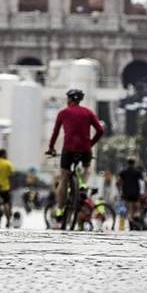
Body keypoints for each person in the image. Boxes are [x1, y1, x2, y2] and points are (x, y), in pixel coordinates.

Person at [46, 89, 104, 225]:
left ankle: (60, 210)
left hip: (68, 149)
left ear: (70, 99)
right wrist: (90, 143)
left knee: (64, 178)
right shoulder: (88, 112)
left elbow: (55, 132)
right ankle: (83, 185)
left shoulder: (63, 113)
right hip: (85, 148)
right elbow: (100, 130)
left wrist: (51, 147)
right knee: (87, 167)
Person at [116, 156, 145, 230]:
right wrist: (146, 191)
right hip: (136, 193)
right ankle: (135, 219)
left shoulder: (124, 172)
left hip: (126, 193)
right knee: (137, 209)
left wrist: (119, 190)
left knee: (129, 210)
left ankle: (131, 221)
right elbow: (145, 180)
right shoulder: (137, 171)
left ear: (127, 162)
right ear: (134, 163)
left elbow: (117, 182)